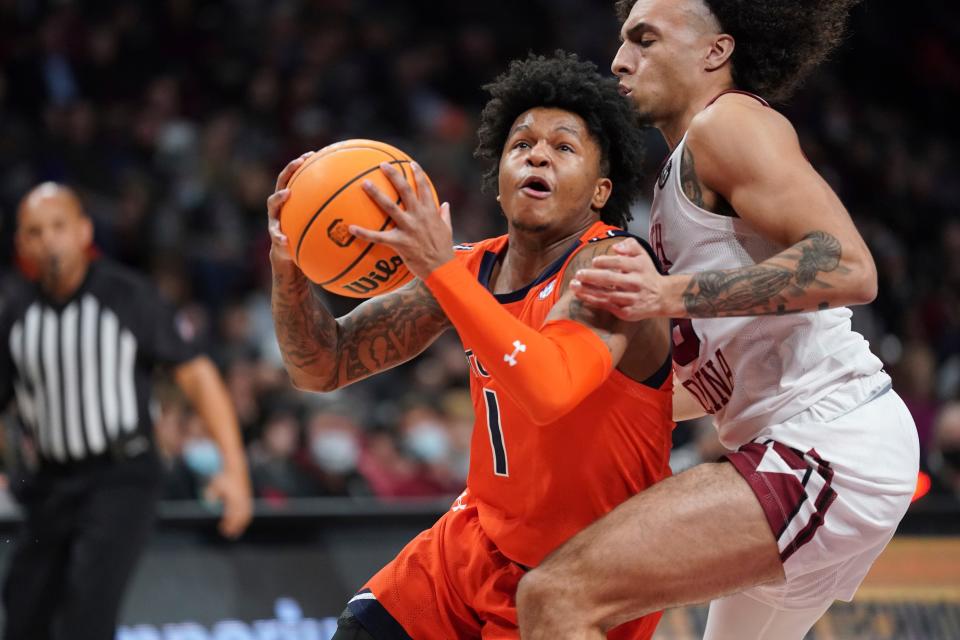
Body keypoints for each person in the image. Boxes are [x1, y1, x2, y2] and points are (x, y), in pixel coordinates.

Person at [514, 2, 921, 639]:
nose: (620, 59)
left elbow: (847, 265)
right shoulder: (679, 174)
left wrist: (665, 292)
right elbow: (704, 378)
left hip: (826, 439)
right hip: (796, 442)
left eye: (644, 39)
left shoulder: (725, 123)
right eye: (622, 41)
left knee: (557, 595)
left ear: (715, 53)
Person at [268, 53, 674, 639]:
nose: (537, 154)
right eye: (521, 144)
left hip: (578, 574)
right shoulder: (468, 269)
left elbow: (552, 389)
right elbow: (323, 364)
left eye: (563, 148)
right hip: (474, 544)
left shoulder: (613, 264)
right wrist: (289, 266)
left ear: (600, 190)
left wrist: (439, 271)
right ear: (501, 176)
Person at [0, 183, 253, 640]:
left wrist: (234, 469)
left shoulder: (128, 296)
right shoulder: (13, 310)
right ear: (21, 243)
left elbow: (197, 376)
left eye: (58, 226)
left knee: (86, 615)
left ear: (83, 231)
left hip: (122, 475)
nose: (48, 239)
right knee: (23, 610)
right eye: (35, 231)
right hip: (50, 482)